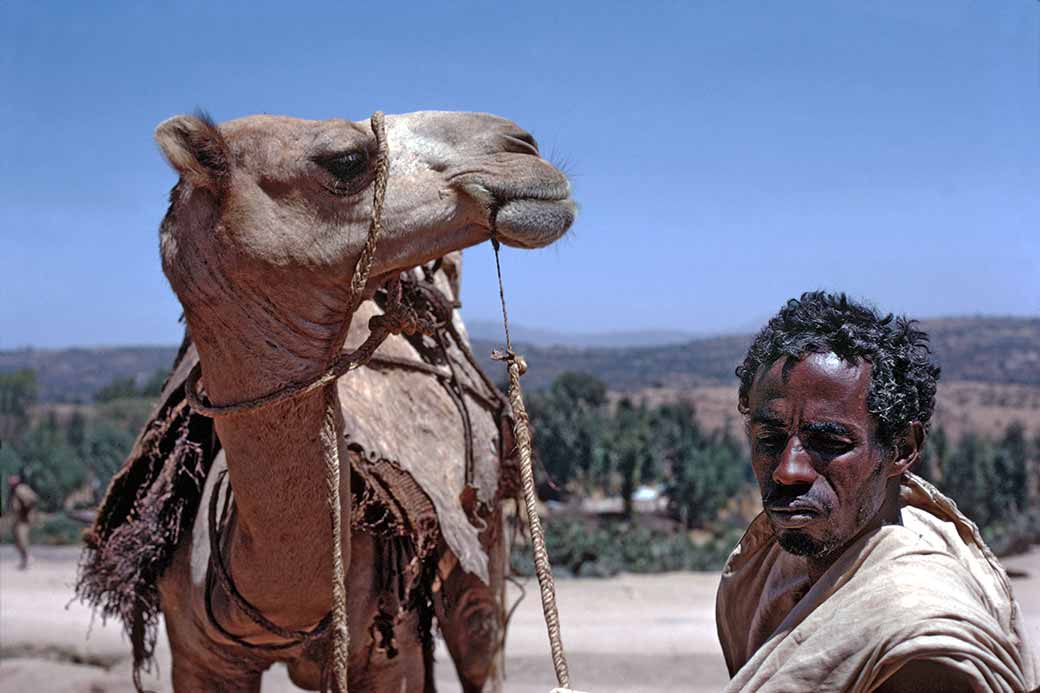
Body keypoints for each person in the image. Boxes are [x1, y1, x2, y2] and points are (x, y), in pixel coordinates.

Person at [716, 292, 1038, 692]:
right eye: (770, 439)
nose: (787, 471)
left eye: (829, 443)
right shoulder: (775, 575)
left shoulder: (916, 652)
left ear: (901, 448)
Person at [7, 472, 38, 570]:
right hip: (18, 519)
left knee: (22, 539)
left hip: (23, 519)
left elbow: (33, 499)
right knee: (17, 541)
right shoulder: (14, 490)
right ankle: (24, 561)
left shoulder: (21, 489)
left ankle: (28, 559)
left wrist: (26, 508)